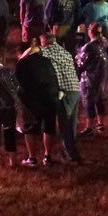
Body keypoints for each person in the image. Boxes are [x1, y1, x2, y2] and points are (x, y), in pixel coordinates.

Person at [40, 29, 82, 164]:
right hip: (75, 89)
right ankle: (68, 151)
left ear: (45, 42)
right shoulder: (65, 52)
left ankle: (71, 156)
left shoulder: (47, 51)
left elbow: (34, 53)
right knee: (72, 124)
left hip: (64, 92)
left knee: (65, 125)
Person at [15, 37, 59, 167]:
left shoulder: (22, 64)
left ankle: (32, 158)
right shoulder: (48, 61)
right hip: (50, 97)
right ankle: (47, 156)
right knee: (48, 127)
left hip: (32, 100)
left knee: (30, 129)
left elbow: (17, 85)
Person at [76, 23, 108, 137]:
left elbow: (82, 63)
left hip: (90, 78)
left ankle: (89, 127)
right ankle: (100, 123)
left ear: (90, 32)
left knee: (88, 101)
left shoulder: (89, 46)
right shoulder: (102, 43)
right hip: (100, 76)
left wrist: (77, 75)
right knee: (98, 99)